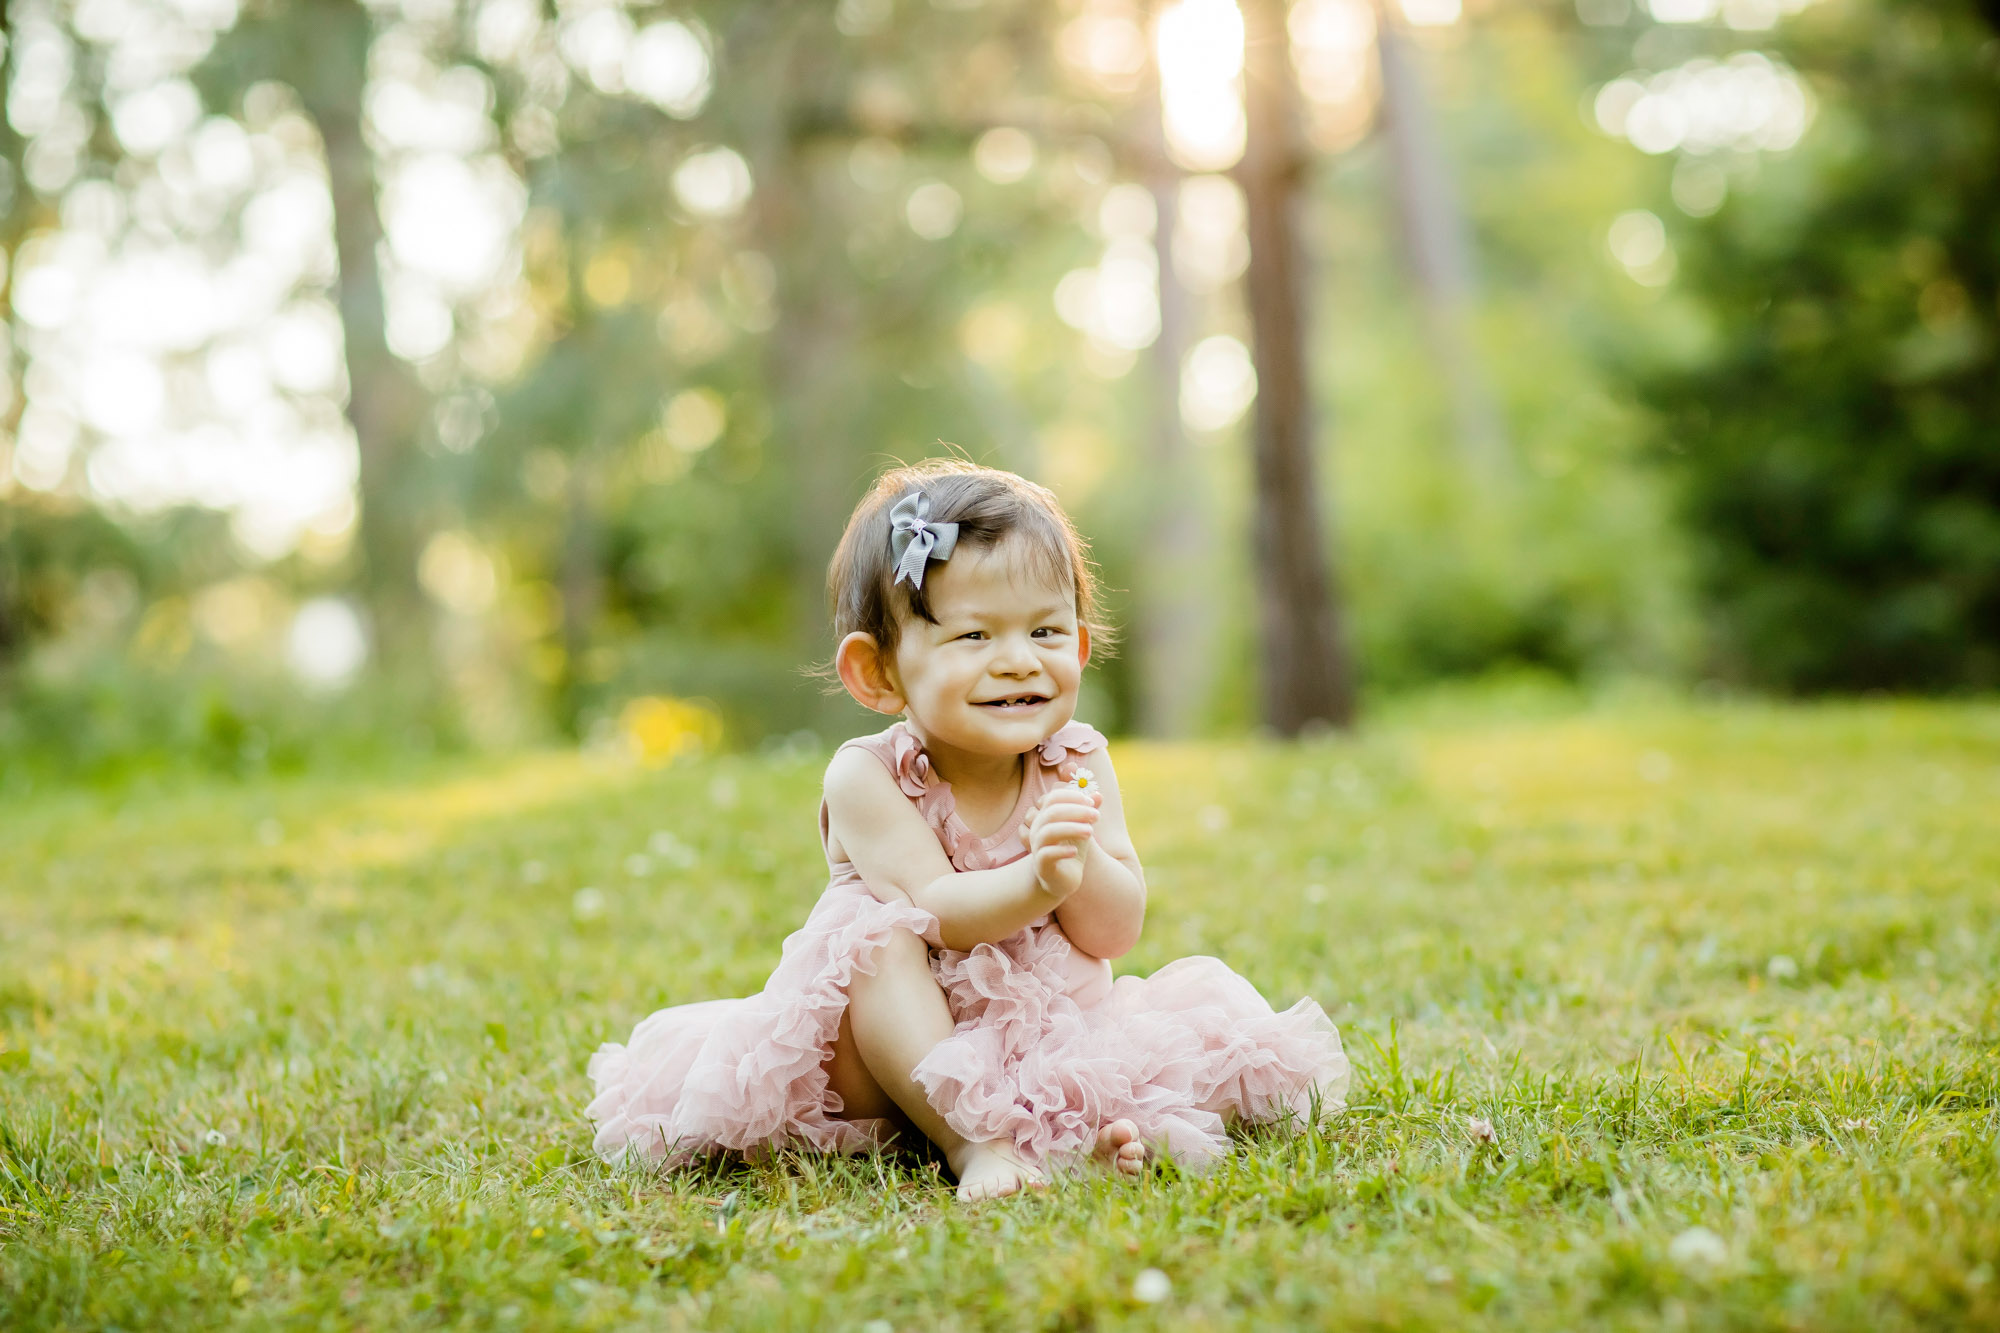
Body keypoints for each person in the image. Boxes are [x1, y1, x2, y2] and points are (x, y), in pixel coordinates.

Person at [587, 459, 1348, 1200]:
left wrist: (1078, 860)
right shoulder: (868, 777)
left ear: (1079, 645)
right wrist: (1038, 880)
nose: (1018, 661)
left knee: (1182, 1056)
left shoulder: (1075, 762)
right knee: (876, 938)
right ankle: (973, 1141)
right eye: (975, 637)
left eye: (1046, 631)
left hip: (1046, 1037)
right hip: (894, 1063)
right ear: (878, 673)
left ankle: (1074, 1133)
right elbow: (940, 909)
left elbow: (1116, 933)